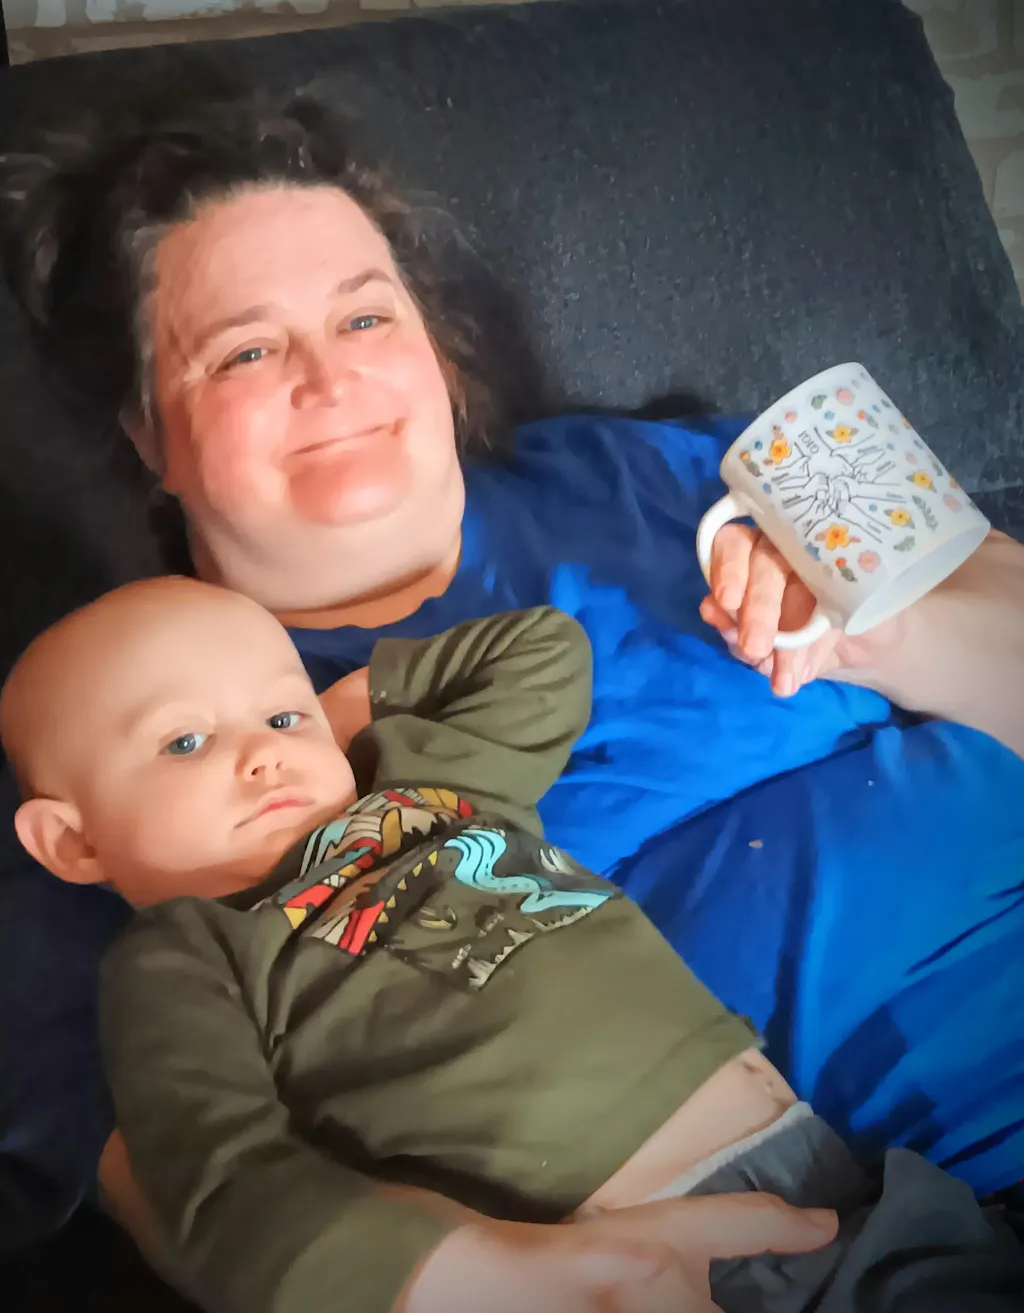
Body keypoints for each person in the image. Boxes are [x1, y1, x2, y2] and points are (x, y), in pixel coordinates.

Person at [0, 91, 1022, 1291]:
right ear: (145, 430)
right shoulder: (126, 739)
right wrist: (490, 1274)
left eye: (365, 314)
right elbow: (185, 1179)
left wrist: (878, 629)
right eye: (246, 350)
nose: (331, 376)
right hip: (833, 1227)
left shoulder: (701, 456)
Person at [5, 576, 1022, 1313]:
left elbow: (538, 649)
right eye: (185, 741)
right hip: (601, 1259)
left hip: (843, 1187)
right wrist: (471, 1271)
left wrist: (353, 706)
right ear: (72, 842)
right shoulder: (187, 953)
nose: (264, 753)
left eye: (278, 713)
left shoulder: (430, 794)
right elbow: (218, 1182)